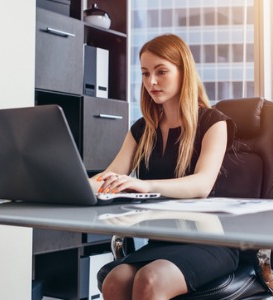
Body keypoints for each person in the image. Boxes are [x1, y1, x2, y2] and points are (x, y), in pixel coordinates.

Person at [90, 33, 238, 300]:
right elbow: (109, 176)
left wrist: (144, 184)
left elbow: (202, 184)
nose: (151, 82)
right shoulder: (142, 129)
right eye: (145, 73)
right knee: (114, 281)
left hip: (210, 243)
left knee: (150, 280)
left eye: (161, 72)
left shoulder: (214, 122)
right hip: (162, 240)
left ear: (184, 72)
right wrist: (68, 185)